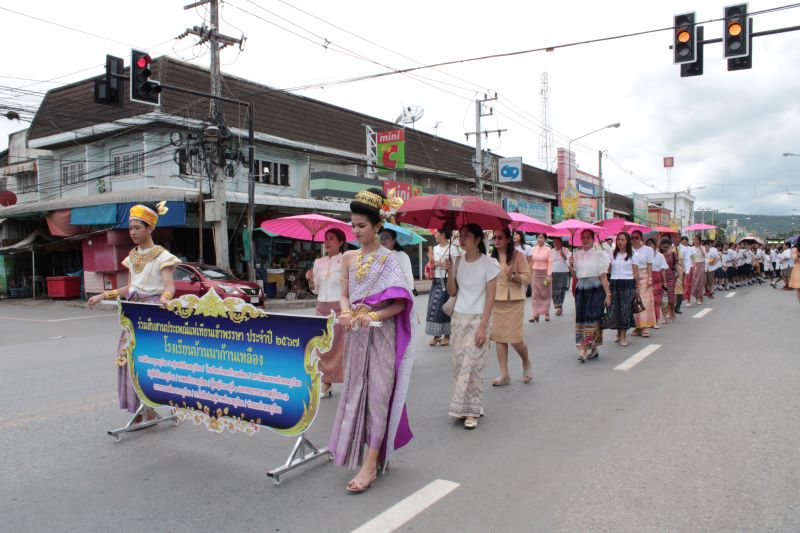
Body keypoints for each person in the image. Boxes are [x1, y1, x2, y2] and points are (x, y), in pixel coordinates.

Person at [329, 188, 415, 493]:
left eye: (361, 226)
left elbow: (401, 305)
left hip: (381, 338)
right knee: (356, 396)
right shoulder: (349, 257)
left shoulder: (389, 260)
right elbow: (342, 295)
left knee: (378, 398)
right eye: (352, 225)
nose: (355, 231)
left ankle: (370, 466)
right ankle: (369, 455)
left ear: (378, 226)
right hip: (355, 337)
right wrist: (345, 312)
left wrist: (374, 317)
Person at [87, 202, 180, 421]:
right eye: (131, 228)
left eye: (137, 227)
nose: (133, 232)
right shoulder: (132, 256)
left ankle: (161, 404)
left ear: (150, 228)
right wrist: (102, 295)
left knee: (152, 363)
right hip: (132, 315)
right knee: (128, 360)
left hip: (153, 315)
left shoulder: (163, 256)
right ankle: (140, 409)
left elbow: (169, 287)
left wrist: (166, 299)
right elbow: (130, 288)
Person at [445, 223, 499, 429]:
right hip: (459, 318)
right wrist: (450, 272)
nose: (462, 238)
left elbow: (491, 297)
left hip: (479, 319)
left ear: (478, 239)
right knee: (459, 366)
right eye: (460, 235)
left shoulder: (490, 263)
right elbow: (452, 291)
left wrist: (483, 326)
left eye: (467, 235)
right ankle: (463, 407)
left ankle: (472, 412)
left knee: (474, 365)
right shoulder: (457, 261)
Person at [306, 228, 346, 398]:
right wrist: (310, 280)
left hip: (339, 306)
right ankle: (325, 381)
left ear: (341, 242)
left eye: (331, 238)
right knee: (322, 345)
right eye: (326, 238)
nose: (327, 241)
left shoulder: (346, 260)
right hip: (321, 306)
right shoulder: (318, 262)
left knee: (339, 346)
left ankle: (343, 379)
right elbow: (314, 290)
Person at [490, 227, 533, 385]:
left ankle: (526, 362)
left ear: (508, 239)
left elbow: (528, 278)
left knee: (515, 338)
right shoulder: (491, 258)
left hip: (514, 301)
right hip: (497, 300)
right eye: (495, 237)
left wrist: (513, 275)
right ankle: (504, 373)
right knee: (499, 338)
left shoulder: (518, 256)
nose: (497, 239)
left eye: (500, 237)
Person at [570, 229, 611, 362]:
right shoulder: (576, 254)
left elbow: (603, 276)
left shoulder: (599, 254)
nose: (585, 239)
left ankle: (587, 348)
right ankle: (589, 348)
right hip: (581, 288)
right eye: (583, 237)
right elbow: (575, 275)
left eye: (588, 237)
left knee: (593, 318)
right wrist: (571, 265)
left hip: (595, 288)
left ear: (593, 239)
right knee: (582, 319)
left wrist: (608, 294)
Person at [426, 230, 459, 347]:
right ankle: (436, 335)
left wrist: (444, 265)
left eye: (436, 233)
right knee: (434, 308)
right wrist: (431, 265)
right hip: (436, 280)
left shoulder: (453, 249)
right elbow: (431, 264)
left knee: (445, 308)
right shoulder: (434, 249)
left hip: (447, 281)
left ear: (443, 234)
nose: (434, 235)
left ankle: (447, 335)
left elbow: (455, 267)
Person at [608, 232, 637, 346]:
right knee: (614, 309)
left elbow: (635, 272)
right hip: (614, 283)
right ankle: (618, 332)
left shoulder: (634, 254)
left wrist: (637, 288)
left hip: (628, 283)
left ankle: (624, 335)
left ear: (627, 241)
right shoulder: (612, 253)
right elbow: (609, 270)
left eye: (623, 239)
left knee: (625, 309)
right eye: (618, 239)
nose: (620, 241)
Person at [631, 230, 656, 337]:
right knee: (634, 302)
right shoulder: (628, 250)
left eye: (636, 237)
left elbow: (650, 265)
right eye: (632, 238)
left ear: (641, 239)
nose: (634, 240)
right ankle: (638, 326)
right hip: (632, 277)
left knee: (644, 302)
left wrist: (650, 278)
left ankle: (645, 327)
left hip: (644, 276)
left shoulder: (648, 250)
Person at [380, 228, 414, 292]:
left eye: (386, 237)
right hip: (382, 293)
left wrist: (409, 291)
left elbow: (408, 275)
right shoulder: (378, 256)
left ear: (394, 240)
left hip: (398, 292)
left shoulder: (402, 255)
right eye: (381, 238)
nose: (383, 240)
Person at [529, 233, 553, 322]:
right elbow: (531, 263)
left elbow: (550, 263)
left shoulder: (548, 250)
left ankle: (546, 313)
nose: (540, 239)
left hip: (545, 274)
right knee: (535, 294)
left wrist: (549, 275)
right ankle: (535, 313)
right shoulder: (532, 249)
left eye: (541, 237)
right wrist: (530, 273)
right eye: (538, 237)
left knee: (545, 294)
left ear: (545, 239)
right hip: (535, 274)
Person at [648, 237, 669, 327]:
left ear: (655, 245)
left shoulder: (660, 256)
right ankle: (649, 321)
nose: (649, 246)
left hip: (657, 279)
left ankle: (656, 320)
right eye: (647, 244)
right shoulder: (644, 254)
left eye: (651, 244)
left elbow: (663, 270)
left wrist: (664, 282)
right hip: (647, 279)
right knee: (649, 302)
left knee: (656, 301)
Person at [550, 237, 572, 316]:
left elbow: (569, 263)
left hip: (563, 272)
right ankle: (557, 306)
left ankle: (560, 306)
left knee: (561, 290)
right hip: (553, 273)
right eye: (554, 242)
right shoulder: (551, 251)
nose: (556, 243)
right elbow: (548, 263)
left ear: (561, 243)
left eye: (557, 242)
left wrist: (564, 256)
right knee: (554, 290)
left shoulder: (566, 250)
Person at [688, 235, 706, 306]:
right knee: (694, 281)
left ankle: (699, 297)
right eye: (694, 240)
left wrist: (700, 248)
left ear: (699, 241)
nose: (695, 241)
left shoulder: (703, 247)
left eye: (697, 240)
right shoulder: (691, 248)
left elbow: (704, 255)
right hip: (694, 265)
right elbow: (690, 257)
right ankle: (694, 294)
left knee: (700, 281)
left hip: (701, 264)